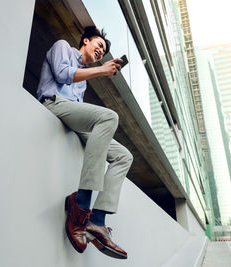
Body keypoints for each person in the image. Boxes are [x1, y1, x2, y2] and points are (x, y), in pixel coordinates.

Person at [37, 26, 133, 259]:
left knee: (125, 156)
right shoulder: (63, 47)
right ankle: (81, 206)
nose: (101, 51)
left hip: (72, 118)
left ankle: (97, 220)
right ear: (86, 41)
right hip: (53, 102)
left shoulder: (83, 81)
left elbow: (78, 108)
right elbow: (61, 75)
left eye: (104, 50)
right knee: (109, 116)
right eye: (99, 45)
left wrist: (97, 70)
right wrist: (101, 70)